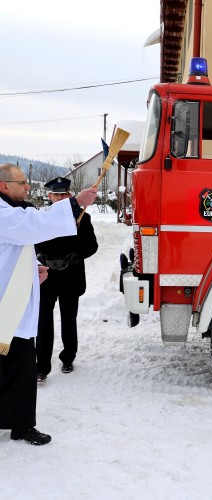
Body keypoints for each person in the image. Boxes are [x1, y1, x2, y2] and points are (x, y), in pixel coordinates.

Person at [0, 163, 97, 445]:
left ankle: (21, 424)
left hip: (14, 301)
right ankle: (20, 423)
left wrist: (34, 270)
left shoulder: (12, 211)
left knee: (21, 367)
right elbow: (33, 227)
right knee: (14, 367)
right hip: (7, 305)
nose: (28, 187)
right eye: (22, 183)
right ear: (4, 185)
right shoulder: (4, 214)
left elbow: (15, 249)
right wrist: (76, 203)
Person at [36, 177, 98, 381]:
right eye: (57, 195)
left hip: (71, 276)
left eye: (64, 194)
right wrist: (40, 258)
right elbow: (32, 244)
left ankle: (68, 357)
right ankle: (41, 366)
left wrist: (76, 256)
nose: (61, 198)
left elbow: (92, 246)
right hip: (47, 276)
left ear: (70, 195)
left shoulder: (82, 218)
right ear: (49, 196)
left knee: (68, 319)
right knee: (43, 322)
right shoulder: (42, 218)